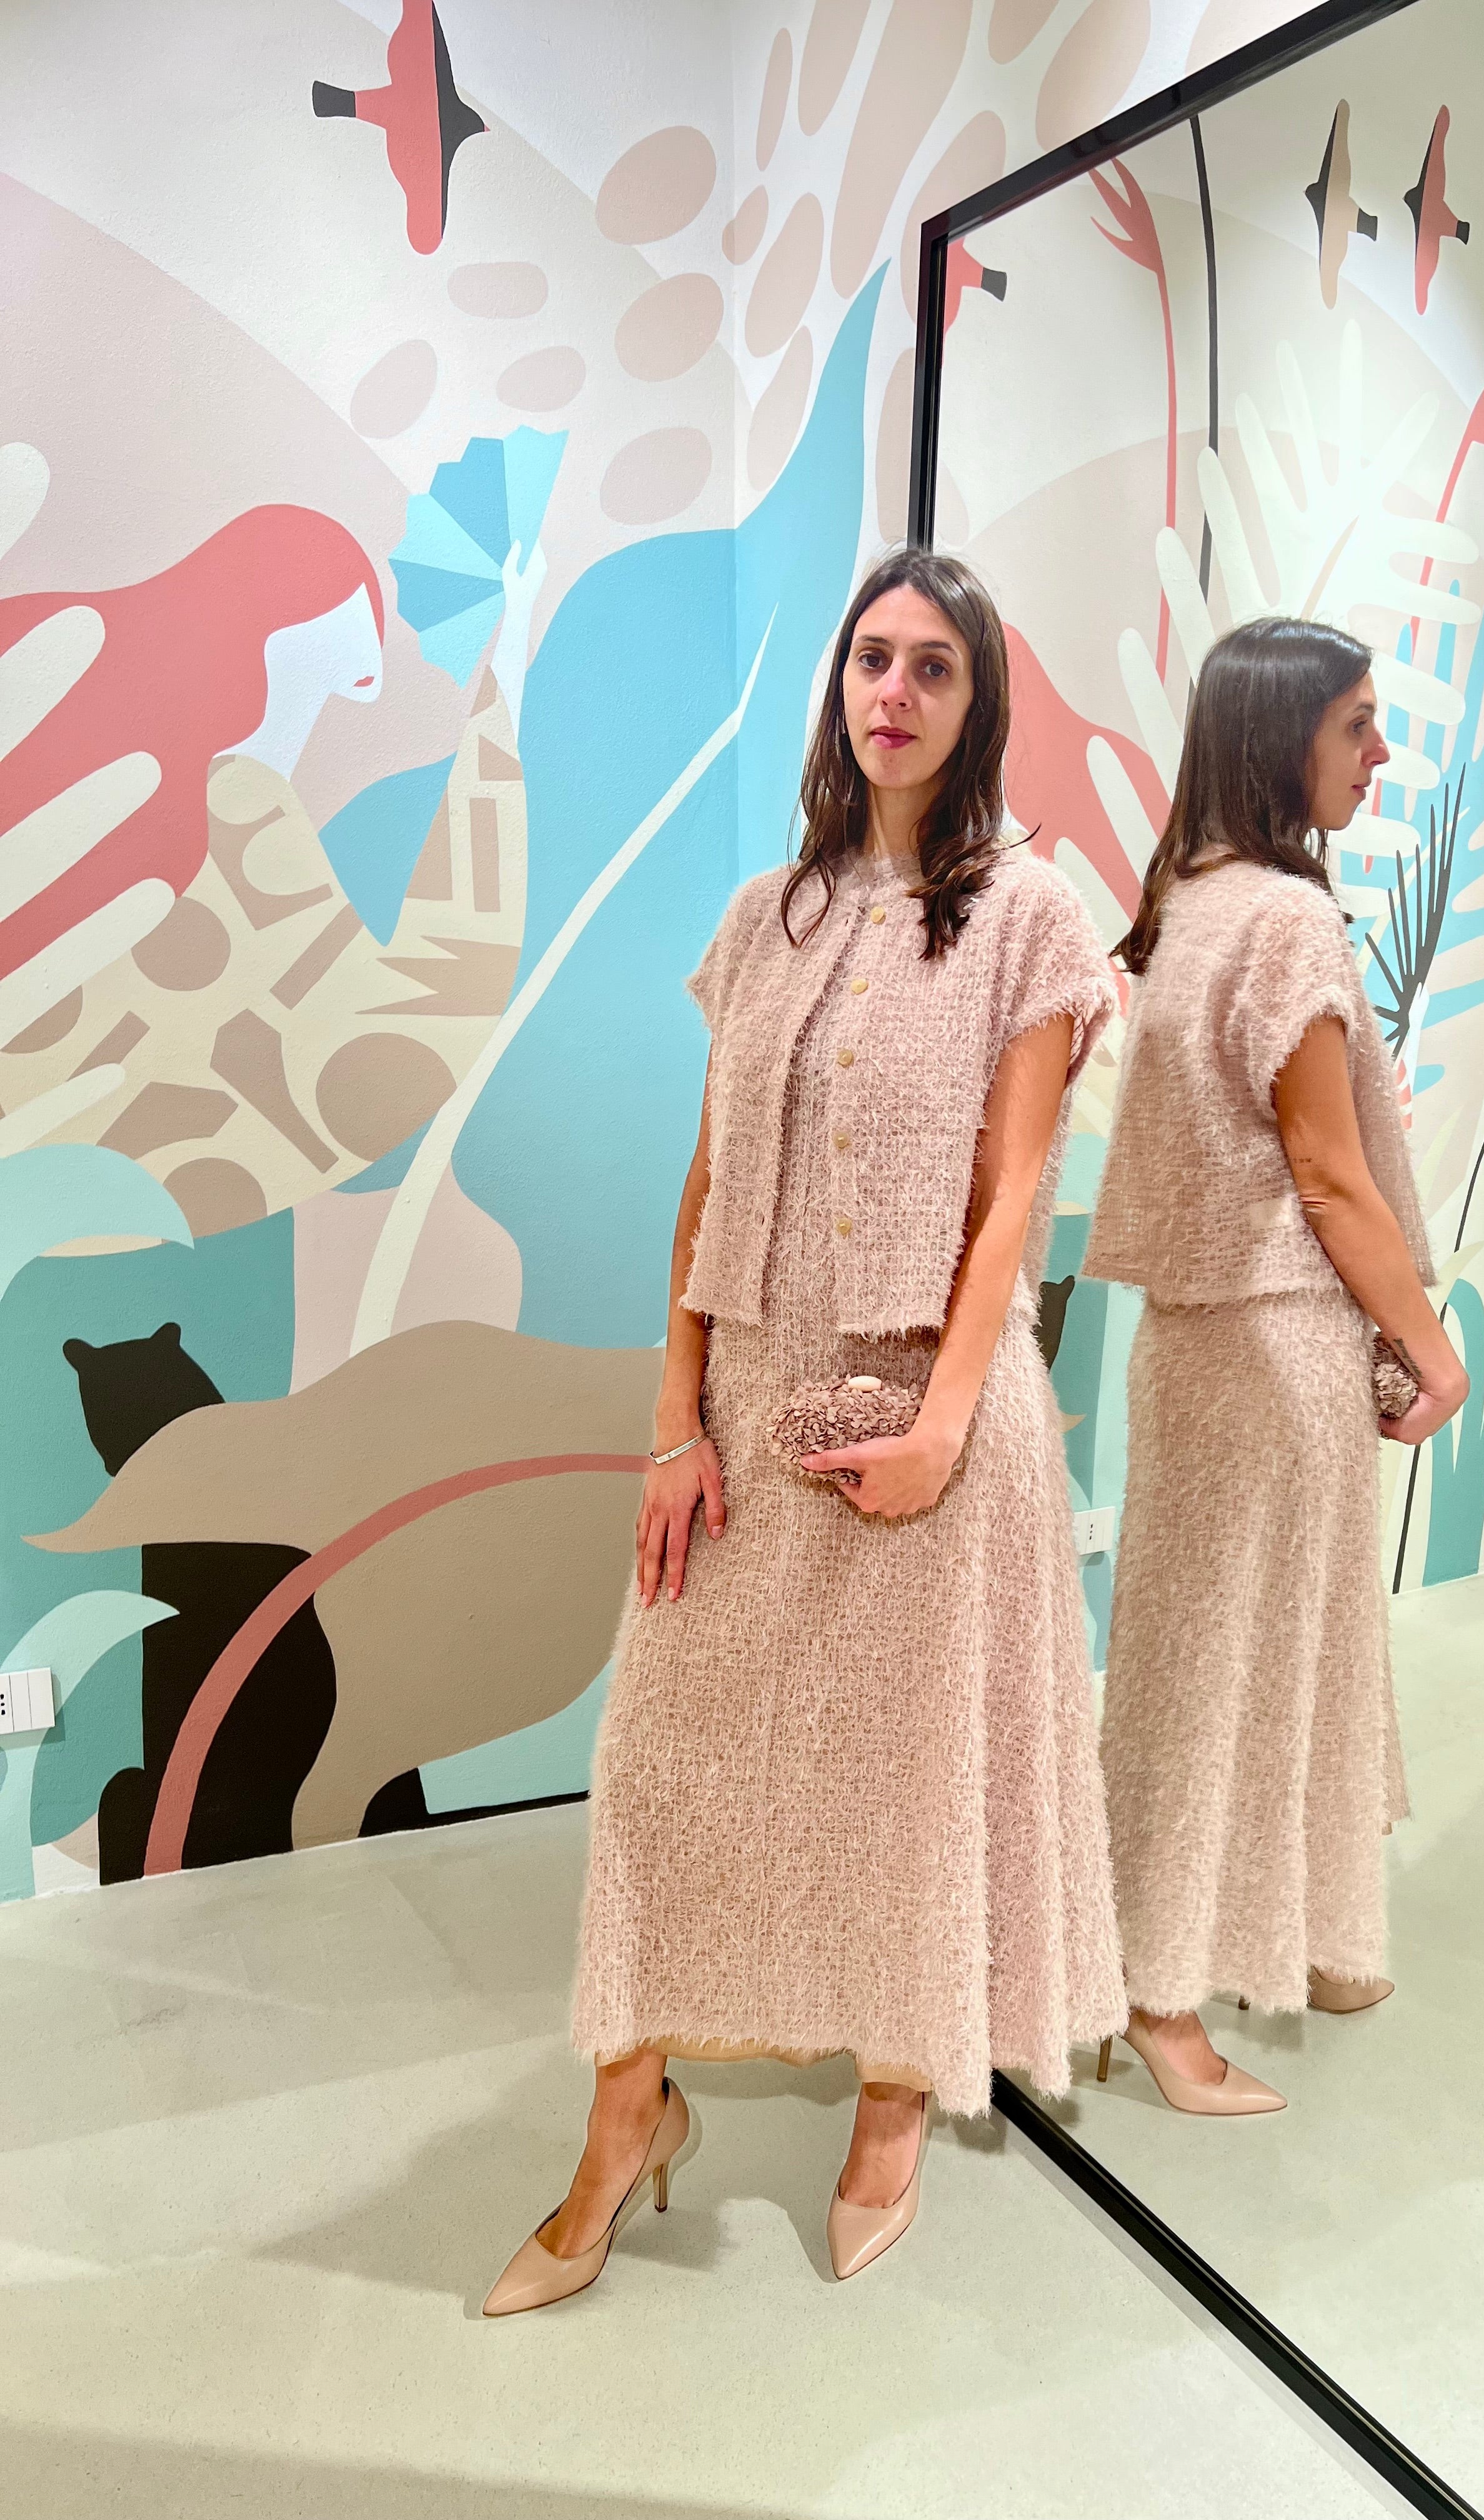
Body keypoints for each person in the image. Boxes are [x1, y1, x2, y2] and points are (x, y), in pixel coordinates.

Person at [484, 549, 1124, 2312]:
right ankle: (629, 2113)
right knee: (661, 1773)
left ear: (978, 702)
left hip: (934, 1417)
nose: (893, 692)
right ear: (839, 686)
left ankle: (895, 2097)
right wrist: (674, 1419)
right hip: (752, 1407)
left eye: (933, 666)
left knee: (903, 1780)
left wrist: (943, 1430)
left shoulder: (1032, 918)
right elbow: (709, 1181)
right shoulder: (765, 915)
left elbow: (1012, 1206)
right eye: (871, 659)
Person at [1082, 616, 1467, 2117]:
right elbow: (1328, 1170)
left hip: (1196, 1343)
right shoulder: (1289, 918)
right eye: (1357, 723)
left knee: (1219, 1653)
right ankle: (1158, 1994)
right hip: (1280, 1337)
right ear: (1280, 734)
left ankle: (1286, 1934)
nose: (1380, 751)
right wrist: (1428, 1348)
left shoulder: (1187, 900)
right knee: (1243, 1664)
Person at [0, 504, 539, 1233]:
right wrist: (505, 677)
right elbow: (411, 1031)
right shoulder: (234, 819)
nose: (302, 731)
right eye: (318, 686)